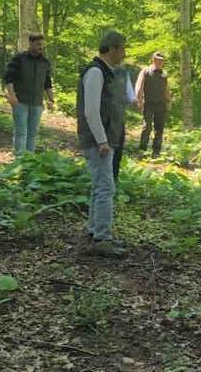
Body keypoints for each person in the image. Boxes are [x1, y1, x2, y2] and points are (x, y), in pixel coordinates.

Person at [78, 30, 128, 257]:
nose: (124, 54)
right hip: (99, 141)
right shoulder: (96, 73)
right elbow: (91, 111)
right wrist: (102, 140)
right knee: (106, 188)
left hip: (105, 139)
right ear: (111, 49)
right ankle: (101, 238)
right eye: (122, 49)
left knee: (99, 188)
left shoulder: (108, 73)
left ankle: (94, 232)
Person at [4, 33, 55, 156]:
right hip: (20, 101)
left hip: (37, 103)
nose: (41, 47)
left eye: (42, 44)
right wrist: (11, 95)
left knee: (33, 133)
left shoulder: (45, 62)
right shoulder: (19, 58)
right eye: (38, 44)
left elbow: (47, 82)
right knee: (21, 132)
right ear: (30, 43)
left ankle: (30, 160)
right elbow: (9, 78)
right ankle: (19, 160)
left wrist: (51, 99)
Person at [135, 52, 171, 159]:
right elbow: (139, 86)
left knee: (159, 128)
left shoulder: (164, 74)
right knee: (147, 126)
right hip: (149, 104)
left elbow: (166, 89)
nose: (160, 62)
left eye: (161, 60)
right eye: (158, 59)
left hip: (161, 105)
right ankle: (142, 150)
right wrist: (139, 100)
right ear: (153, 60)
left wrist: (169, 101)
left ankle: (156, 151)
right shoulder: (146, 71)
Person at [109, 63, 139, 181]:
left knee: (118, 151)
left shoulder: (123, 73)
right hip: (105, 118)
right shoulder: (100, 71)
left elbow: (129, 91)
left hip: (120, 117)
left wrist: (135, 100)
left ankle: (114, 180)